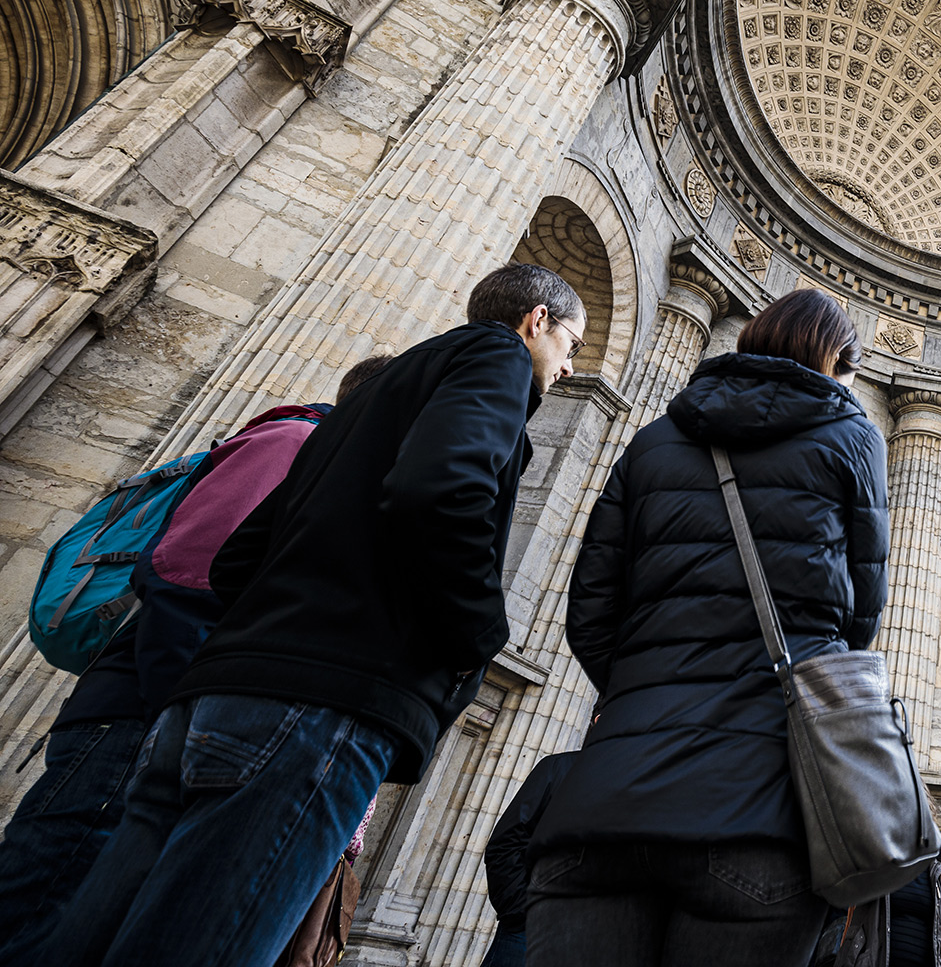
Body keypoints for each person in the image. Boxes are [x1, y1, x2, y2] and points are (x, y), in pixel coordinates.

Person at [40, 263, 583, 967]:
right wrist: (479, 634)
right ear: (535, 320)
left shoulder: (372, 395)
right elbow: (439, 489)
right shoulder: (495, 354)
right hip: (320, 707)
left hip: (210, 700)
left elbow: (239, 558)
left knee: (90, 944)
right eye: (570, 343)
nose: (569, 367)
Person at [526, 288, 888, 967]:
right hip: (760, 812)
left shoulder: (656, 439)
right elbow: (861, 614)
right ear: (835, 358)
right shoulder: (852, 438)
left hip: (606, 801)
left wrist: (647, 691)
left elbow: (589, 613)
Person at [0, 355, 390, 960]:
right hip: (138, 715)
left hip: (164, 720)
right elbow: (188, 577)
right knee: (39, 909)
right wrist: (179, 718)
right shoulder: (294, 441)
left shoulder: (325, 462)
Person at [482, 751, 579, 967]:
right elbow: (506, 842)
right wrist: (522, 913)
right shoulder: (559, 767)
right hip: (531, 929)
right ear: (600, 720)